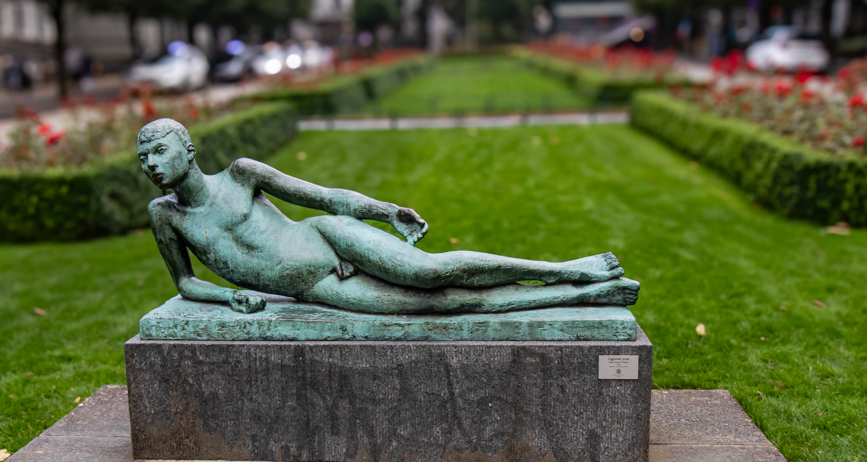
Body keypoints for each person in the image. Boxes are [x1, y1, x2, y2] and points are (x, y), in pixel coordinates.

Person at [137, 119, 639, 314]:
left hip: (327, 240)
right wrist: (231, 296)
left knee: (432, 272)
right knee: (442, 307)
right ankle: (588, 295)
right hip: (316, 287)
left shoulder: (241, 174)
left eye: (159, 151)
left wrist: (385, 213)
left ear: (187, 147)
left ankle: (571, 269)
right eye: (144, 161)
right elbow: (185, 285)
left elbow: (326, 198)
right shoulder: (167, 217)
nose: (152, 166)